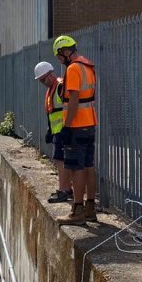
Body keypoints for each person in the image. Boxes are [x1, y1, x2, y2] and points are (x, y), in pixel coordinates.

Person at [52, 35, 98, 225]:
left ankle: (77, 210)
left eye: (58, 56)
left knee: (76, 168)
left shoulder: (72, 69)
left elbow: (73, 100)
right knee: (88, 166)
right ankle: (90, 208)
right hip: (90, 123)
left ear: (64, 52)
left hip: (77, 126)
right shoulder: (87, 66)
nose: (59, 61)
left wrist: (67, 127)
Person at [34, 61, 73, 203]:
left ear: (50, 75)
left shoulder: (60, 87)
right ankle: (66, 188)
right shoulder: (53, 88)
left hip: (64, 130)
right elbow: (53, 112)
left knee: (61, 160)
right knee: (61, 160)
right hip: (58, 131)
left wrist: (65, 128)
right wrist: (50, 130)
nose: (42, 83)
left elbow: (69, 108)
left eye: (43, 79)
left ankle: (64, 190)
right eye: (40, 81)